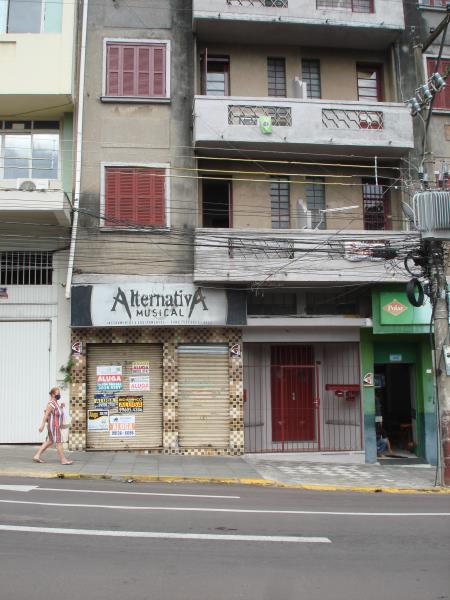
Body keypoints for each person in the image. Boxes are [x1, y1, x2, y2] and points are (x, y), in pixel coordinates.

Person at [33, 387, 73, 465]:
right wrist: (42, 425)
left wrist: (61, 407)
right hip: (54, 426)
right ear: (52, 394)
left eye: (59, 393)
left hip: (55, 425)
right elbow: (46, 415)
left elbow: (57, 414)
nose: (59, 394)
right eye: (57, 393)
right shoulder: (51, 403)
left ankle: (37, 456)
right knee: (59, 442)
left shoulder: (56, 403)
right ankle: (63, 460)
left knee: (50, 441)